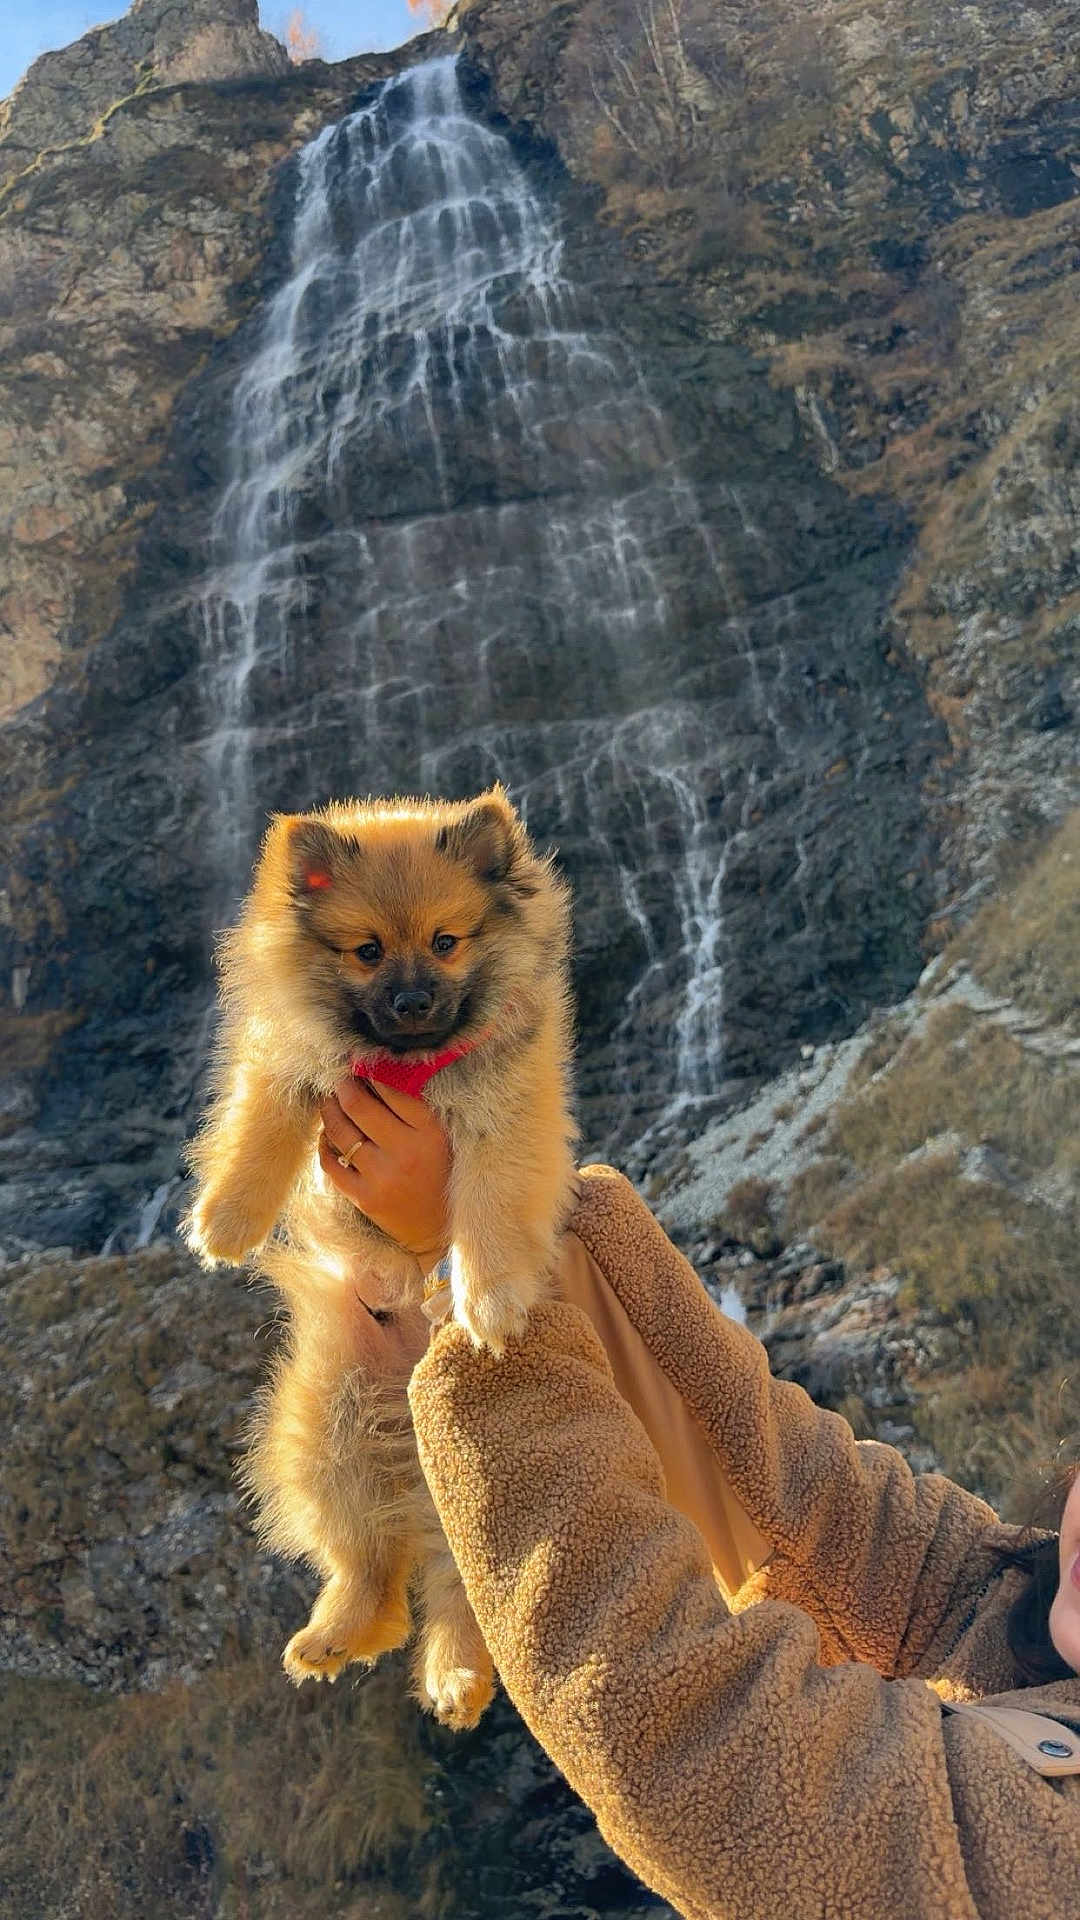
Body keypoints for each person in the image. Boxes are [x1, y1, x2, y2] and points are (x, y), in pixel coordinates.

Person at [317, 1075, 1080, 1920]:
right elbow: (797, 1496)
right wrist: (507, 1216)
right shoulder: (1011, 1595)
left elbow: (701, 1746)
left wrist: (478, 1276)